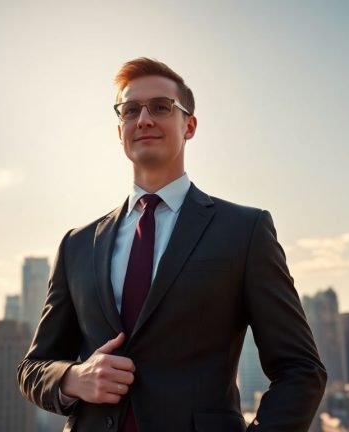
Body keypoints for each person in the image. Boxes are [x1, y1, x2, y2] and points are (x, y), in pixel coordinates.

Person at [17, 57, 326, 432]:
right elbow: (34, 368)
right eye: (131, 110)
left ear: (189, 125)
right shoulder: (77, 245)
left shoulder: (245, 230)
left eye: (161, 107)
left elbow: (301, 369)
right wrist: (73, 379)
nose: (143, 119)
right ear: (120, 131)